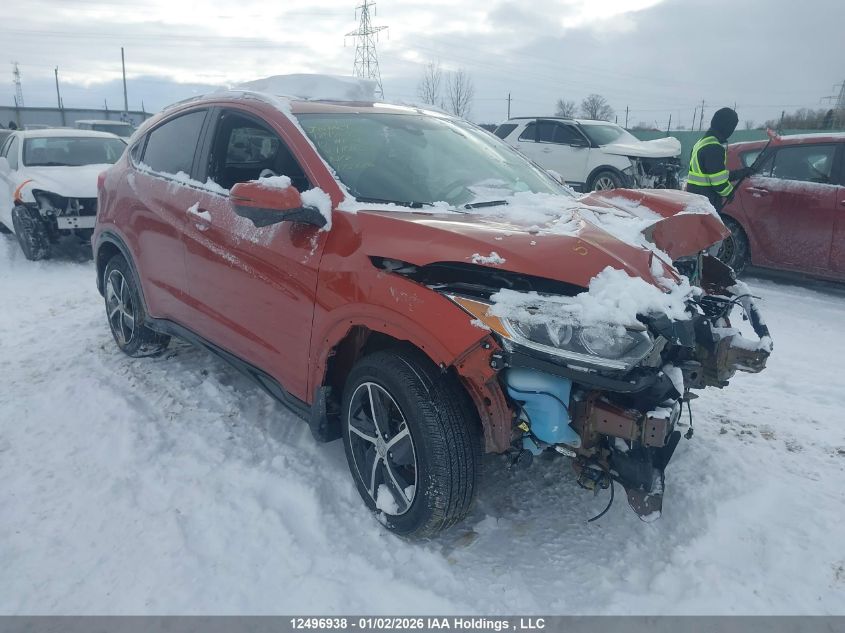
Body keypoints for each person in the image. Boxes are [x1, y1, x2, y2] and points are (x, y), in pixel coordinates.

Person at [686, 107, 752, 211]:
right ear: (726, 127)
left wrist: (740, 173)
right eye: (732, 127)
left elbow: (712, 173)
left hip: (696, 198)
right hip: (706, 202)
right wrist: (730, 192)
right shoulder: (714, 147)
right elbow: (718, 182)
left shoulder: (701, 142)